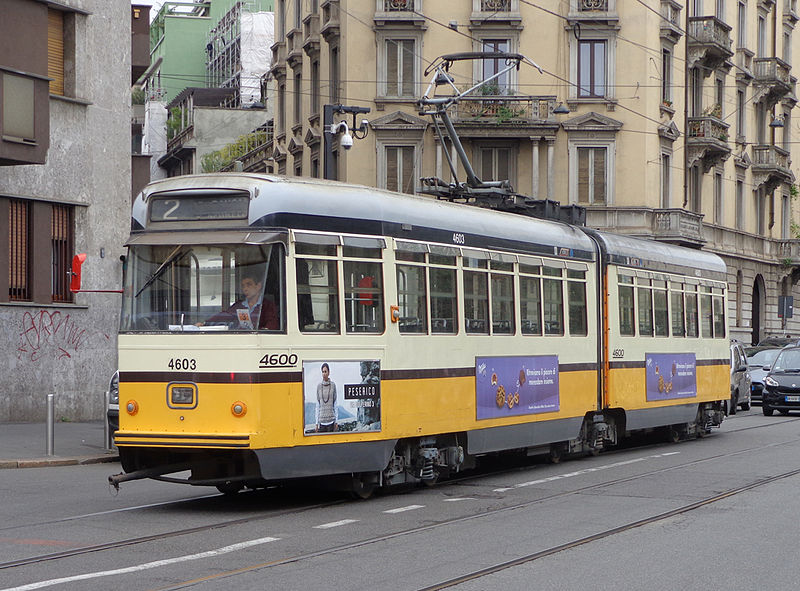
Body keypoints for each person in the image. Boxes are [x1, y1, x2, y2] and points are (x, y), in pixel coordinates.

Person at [199, 272, 278, 329]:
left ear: (258, 286)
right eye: (243, 286)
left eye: (249, 285)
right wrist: (205, 323)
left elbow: (271, 325)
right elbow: (225, 315)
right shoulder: (239, 305)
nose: (245, 289)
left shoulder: (267, 305)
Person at [316, 362, 337, 432]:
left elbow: (335, 404)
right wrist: (316, 423)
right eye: (322, 372)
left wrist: (336, 421)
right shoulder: (319, 386)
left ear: (329, 372)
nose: (324, 374)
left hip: (331, 422)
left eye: (325, 371)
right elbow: (317, 405)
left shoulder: (333, 385)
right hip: (321, 422)